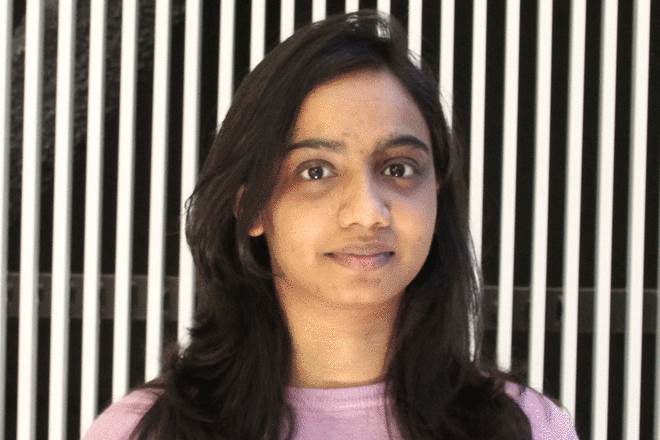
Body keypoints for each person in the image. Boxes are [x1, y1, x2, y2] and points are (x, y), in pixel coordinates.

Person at [84, 10, 579, 440]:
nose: (368, 212)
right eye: (316, 171)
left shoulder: (529, 427)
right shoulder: (145, 432)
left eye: (398, 168)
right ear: (252, 208)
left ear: (438, 194)